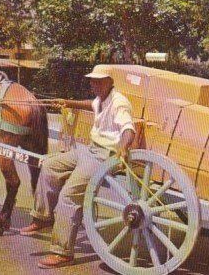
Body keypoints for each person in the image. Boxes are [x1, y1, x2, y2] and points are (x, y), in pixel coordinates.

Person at [20, 66, 136, 269]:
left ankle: (62, 252)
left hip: (104, 157)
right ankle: (43, 217)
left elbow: (128, 128)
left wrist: (123, 148)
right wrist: (67, 102)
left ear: (110, 81)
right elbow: (90, 105)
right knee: (49, 165)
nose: (94, 84)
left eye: (98, 81)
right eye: (92, 81)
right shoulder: (102, 99)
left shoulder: (119, 103)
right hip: (89, 150)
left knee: (69, 195)